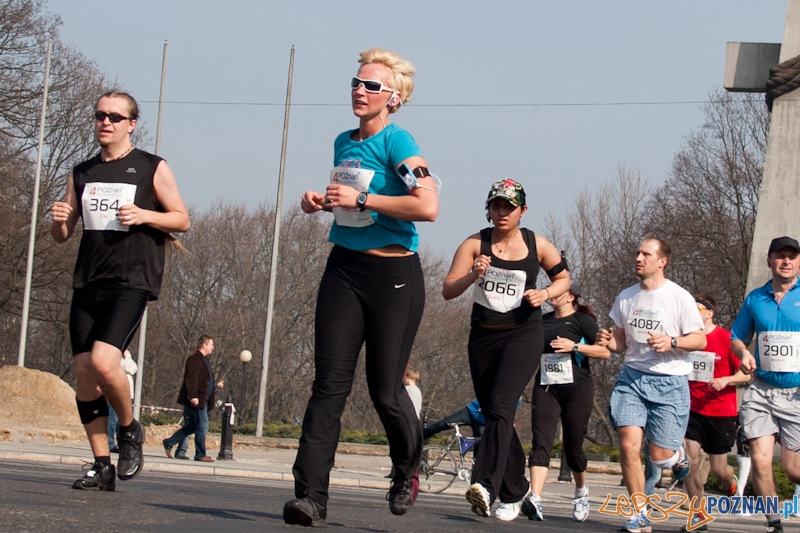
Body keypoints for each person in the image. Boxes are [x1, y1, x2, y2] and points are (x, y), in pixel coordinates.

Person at [283, 47, 438, 528]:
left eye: (370, 85)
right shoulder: (342, 142)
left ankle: (406, 466)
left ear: (392, 98)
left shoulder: (399, 141)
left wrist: (364, 195)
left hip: (394, 277)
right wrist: (324, 203)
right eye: (355, 82)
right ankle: (310, 497)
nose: (359, 90)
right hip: (344, 270)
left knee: (386, 391)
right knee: (328, 385)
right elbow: (353, 208)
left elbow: (428, 206)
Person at [52, 91, 190, 491]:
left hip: (132, 281)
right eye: (100, 115)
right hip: (88, 280)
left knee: (103, 361)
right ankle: (101, 465)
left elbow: (181, 219)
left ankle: (129, 430)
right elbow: (62, 235)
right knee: (83, 374)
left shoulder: (151, 167)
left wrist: (144, 214)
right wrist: (59, 220)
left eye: (115, 116)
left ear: (131, 123)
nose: (105, 122)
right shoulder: (82, 172)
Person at [442, 178, 570, 520]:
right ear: (489, 208)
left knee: (501, 406)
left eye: (509, 207)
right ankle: (517, 490)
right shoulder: (474, 243)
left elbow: (564, 279)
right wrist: (472, 276)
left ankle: (485, 484)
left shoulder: (537, 245)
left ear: (522, 211)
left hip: (523, 334)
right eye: (496, 206)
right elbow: (447, 290)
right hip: (483, 337)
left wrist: (545, 295)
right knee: (496, 414)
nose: (501, 213)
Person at [597, 238, 706, 533]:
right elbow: (620, 343)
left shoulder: (679, 297)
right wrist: (609, 341)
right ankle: (639, 513)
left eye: (646, 254)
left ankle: (678, 457)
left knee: (659, 456)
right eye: (637, 253)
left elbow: (699, 339)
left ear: (662, 261)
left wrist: (672, 341)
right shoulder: (626, 297)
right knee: (628, 444)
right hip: (633, 377)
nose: (639, 258)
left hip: (670, 382)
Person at [524, 279, 610, 522]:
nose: (555, 293)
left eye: (561, 291)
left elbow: (604, 352)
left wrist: (574, 347)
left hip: (577, 389)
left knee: (573, 448)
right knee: (541, 442)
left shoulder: (582, 321)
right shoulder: (543, 320)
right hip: (547, 387)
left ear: (572, 296)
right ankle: (536, 498)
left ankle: (581, 491)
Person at [730, 236, 800, 533]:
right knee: (759, 460)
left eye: (792, 256)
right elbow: (736, 338)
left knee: (793, 469)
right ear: (769, 260)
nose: (786, 261)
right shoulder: (755, 299)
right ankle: (774, 523)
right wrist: (744, 353)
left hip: (796, 393)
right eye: (780, 256)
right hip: (761, 389)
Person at [681, 293, 749, 532]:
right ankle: (698, 515)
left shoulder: (727, 339)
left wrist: (727, 380)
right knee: (688, 462)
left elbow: (747, 374)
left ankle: (731, 483)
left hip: (721, 412)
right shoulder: (686, 339)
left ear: (709, 313)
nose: (693, 312)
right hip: (691, 408)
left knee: (720, 470)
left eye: (698, 309)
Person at [162, 335, 223, 462]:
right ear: (204, 345)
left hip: (202, 399)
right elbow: (192, 378)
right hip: (197, 400)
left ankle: (169, 442)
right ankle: (200, 454)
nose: (213, 347)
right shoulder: (194, 359)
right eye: (211, 344)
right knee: (203, 426)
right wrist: (193, 396)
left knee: (193, 426)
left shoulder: (204, 360)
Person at [107, 349, 138, 453]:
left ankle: (121, 442)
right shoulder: (116, 359)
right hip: (116, 393)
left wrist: (127, 357)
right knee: (113, 420)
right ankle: (110, 443)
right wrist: (128, 356)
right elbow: (130, 368)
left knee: (121, 421)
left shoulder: (123, 360)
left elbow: (134, 368)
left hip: (125, 394)